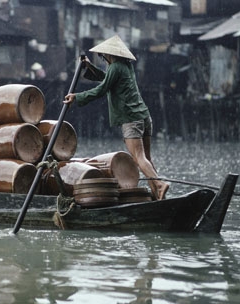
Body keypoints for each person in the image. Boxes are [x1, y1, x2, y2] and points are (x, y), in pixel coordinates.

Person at [64, 35, 169, 200]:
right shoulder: (126, 66)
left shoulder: (115, 68)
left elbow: (102, 89)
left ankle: (160, 184)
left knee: (139, 158)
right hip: (144, 116)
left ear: (108, 55)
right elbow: (107, 79)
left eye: (102, 56)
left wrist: (77, 96)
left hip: (131, 117)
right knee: (146, 158)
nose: (103, 59)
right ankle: (157, 194)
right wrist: (90, 67)